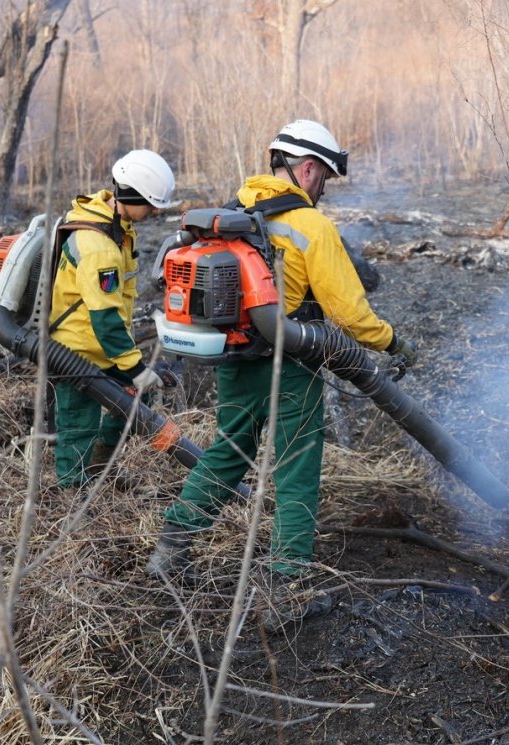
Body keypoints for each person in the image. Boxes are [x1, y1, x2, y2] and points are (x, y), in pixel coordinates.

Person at [148, 119, 418, 608]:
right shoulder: (310, 224)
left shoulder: (234, 209)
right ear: (309, 169)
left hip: (233, 356)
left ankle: (170, 549)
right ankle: (285, 585)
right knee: (296, 464)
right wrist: (393, 343)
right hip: (290, 361)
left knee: (228, 452)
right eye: (326, 178)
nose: (324, 190)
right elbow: (349, 314)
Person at [48, 148, 179, 488]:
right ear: (130, 194)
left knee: (138, 400)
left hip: (100, 347)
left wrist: (135, 373)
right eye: (149, 205)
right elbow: (105, 319)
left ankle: (97, 467)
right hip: (75, 350)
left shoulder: (115, 225)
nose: (151, 213)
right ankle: (71, 492)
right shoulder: (99, 246)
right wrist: (136, 369)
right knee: (79, 425)